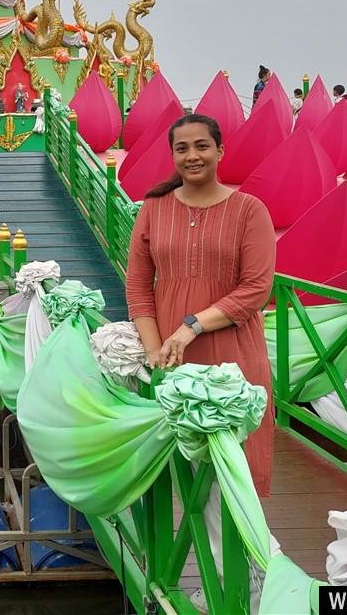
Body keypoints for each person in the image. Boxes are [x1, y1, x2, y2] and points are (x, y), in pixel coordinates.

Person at [125, 113, 279, 603]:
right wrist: (154, 349)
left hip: (232, 356)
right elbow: (138, 288)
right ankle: (226, 582)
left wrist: (191, 326)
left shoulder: (250, 209)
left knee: (236, 470)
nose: (192, 156)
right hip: (172, 363)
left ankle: (258, 581)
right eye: (182, 149)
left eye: (202, 147)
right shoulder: (152, 209)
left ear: (220, 150)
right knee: (190, 478)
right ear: (173, 156)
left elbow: (256, 289)